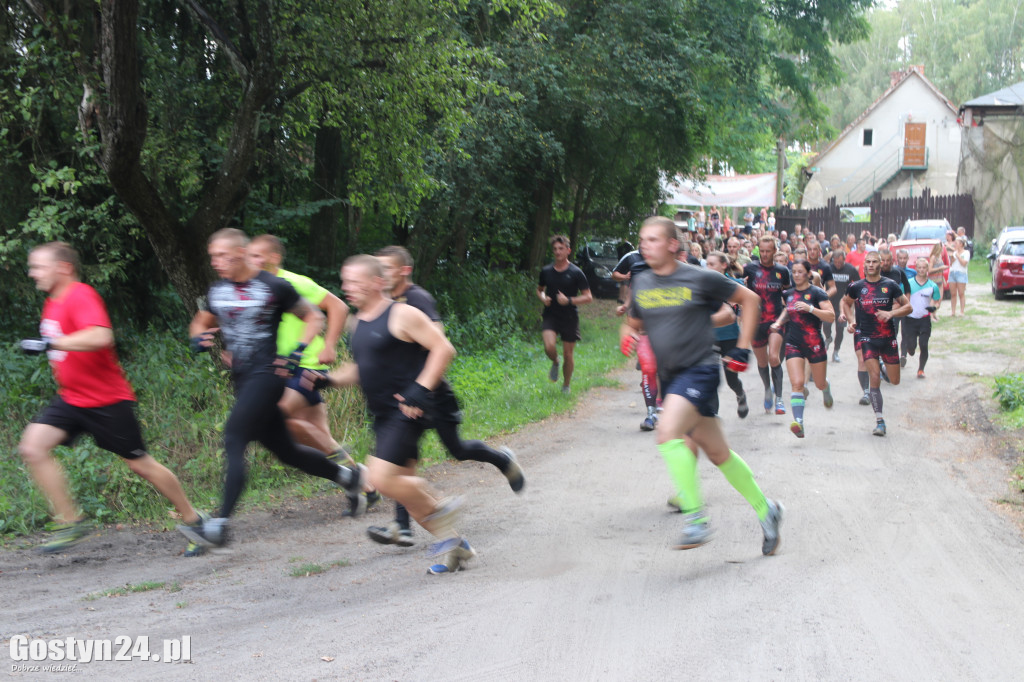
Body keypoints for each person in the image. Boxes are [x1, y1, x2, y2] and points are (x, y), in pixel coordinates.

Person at [178, 229, 364, 550]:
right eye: (212, 256)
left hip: (268, 376)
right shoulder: (218, 291)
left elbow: (313, 317)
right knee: (286, 451)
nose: (216, 262)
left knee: (234, 436)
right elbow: (201, 321)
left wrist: (295, 354)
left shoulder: (273, 286)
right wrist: (199, 336)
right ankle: (349, 478)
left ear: (240, 252)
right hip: (242, 378)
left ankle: (218, 525)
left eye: (222, 255)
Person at [17, 242, 205, 555]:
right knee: (32, 447)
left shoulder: (80, 294)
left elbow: (101, 336)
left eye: (38, 266)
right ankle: (71, 520)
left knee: (140, 465)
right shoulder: (53, 302)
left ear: (63, 267)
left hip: (106, 401)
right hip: (72, 399)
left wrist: (50, 344)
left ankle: (194, 519)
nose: (32, 273)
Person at [301, 255, 477, 574]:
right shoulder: (357, 322)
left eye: (354, 282)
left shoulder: (403, 314)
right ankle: (456, 546)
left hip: (409, 409)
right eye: (345, 282)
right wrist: (329, 379)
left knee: (381, 479)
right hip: (383, 414)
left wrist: (420, 388)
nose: (346, 288)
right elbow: (362, 366)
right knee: (404, 491)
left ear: (377, 282)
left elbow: (443, 349)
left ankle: (442, 506)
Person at [620, 216, 782, 554]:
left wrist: (740, 346)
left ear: (672, 245)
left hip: (701, 369)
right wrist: (629, 335)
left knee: (667, 433)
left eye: (653, 239)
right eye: (642, 240)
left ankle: (696, 519)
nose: (645, 245)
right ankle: (768, 510)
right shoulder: (644, 284)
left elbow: (750, 300)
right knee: (718, 452)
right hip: (671, 376)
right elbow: (633, 322)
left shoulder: (700, 277)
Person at [366, 246, 525, 547]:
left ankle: (503, 460)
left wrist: (421, 389)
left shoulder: (417, 299)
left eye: (386, 268)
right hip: (404, 400)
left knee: (458, 449)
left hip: (431, 394)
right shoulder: (383, 304)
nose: (380, 274)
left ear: (404, 271)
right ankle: (401, 526)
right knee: (399, 461)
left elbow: (438, 341)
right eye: (377, 269)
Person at [246, 234, 378, 514]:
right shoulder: (253, 288)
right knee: (318, 438)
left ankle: (356, 478)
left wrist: (329, 344)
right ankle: (363, 484)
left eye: (258, 256)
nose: (252, 261)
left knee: (274, 417)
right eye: (249, 256)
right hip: (278, 370)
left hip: (305, 366)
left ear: (274, 258)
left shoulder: (294, 282)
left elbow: (337, 306)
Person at [841, 251, 912, 437]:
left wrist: (891, 314)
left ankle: (883, 368)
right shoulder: (856, 287)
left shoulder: (891, 285)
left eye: (874, 262)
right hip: (867, 337)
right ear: (864, 265)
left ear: (880, 264)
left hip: (888, 338)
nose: (871, 265)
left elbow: (908, 306)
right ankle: (880, 421)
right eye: (868, 262)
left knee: (894, 380)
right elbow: (845, 303)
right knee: (873, 377)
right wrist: (851, 321)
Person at [769, 261, 835, 438]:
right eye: (794, 272)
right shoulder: (788, 294)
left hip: (814, 343)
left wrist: (811, 308)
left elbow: (831, 316)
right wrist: (779, 321)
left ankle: (826, 388)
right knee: (797, 384)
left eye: (800, 272)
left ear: (808, 274)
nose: (796, 275)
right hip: (793, 342)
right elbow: (788, 310)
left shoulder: (817, 293)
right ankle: (799, 422)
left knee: (819, 383)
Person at [537, 235, 593, 394]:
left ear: (568, 251)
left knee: (568, 355)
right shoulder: (546, 271)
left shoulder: (576, 272)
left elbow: (588, 297)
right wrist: (543, 298)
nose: (557, 252)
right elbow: (539, 290)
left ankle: (566, 385)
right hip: (550, 315)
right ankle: (555, 361)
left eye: (561, 249)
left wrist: (568, 300)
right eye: (555, 249)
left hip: (569, 317)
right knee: (549, 346)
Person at [613, 246, 660, 430]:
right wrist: (626, 307)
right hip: (645, 325)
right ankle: (651, 414)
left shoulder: (675, 268)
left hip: (669, 328)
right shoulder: (636, 264)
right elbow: (633, 289)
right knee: (648, 369)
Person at [743, 235, 791, 415]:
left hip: (775, 320)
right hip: (756, 322)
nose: (764, 254)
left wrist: (788, 315)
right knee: (762, 361)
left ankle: (779, 399)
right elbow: (740, 290)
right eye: (761, 251)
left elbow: (788, 295)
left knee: (773, 357)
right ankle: (767, 389)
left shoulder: (783, 271)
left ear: (774, 251)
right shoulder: (750, 268)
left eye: (768, 251)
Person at [706, 251, 749, 418]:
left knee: (731, 379)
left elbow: (748, 309)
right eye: (707, 264)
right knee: (710, 377)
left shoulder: (735, 284)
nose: (708, 268)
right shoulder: (703, 284)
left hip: (730, 337)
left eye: (712, 264)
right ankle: (712, 415)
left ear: (723, 265)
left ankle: (740, 394)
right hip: (709, 337)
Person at [902, 257, 942, 378]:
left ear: (927, 269)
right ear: (916, 268)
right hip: (910, 319)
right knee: (911, 346)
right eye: (919, 267)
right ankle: (910, 350)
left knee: (924, 344)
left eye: (924, 267)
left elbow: (937, 301)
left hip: (924, 319)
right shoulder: (908, 283)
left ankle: (921, 370)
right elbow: (900, 297)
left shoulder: (932, 286)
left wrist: (934, 308)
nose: (921, 270)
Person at [827, 250, 859, 364]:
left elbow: (858, 283)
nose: (837, 264)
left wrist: (853, 297)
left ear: (844, 260)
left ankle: (836, 351)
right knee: (826, 326)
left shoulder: (850, 269)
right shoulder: (828, 268)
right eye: (835, 262)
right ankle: (828, 337)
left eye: (840, 262)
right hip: (828, 304)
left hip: (844, 304)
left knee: (840, 330)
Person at [949, 236, 970, 316]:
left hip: (961, 273)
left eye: (956, 243)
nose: (955, 244)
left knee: (961, 293)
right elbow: (951, 263)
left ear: (961, 244)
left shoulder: (966, 253)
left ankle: (962, 311)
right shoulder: (954, 252)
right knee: (953, 294)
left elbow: (964, 263)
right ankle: (953, 311)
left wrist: (957, 255)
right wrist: (951, 257)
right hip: (952, 273)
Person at [927, 242, 948, 318]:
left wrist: (944, 279)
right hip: (934, 280)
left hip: (940, 280)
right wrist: (940, 268)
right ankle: (931, 315)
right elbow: (930, 270)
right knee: (934, 299)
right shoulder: (933, 257)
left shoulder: (939, 257)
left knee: (939, 299)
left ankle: (934, 313)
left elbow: (941, 271)